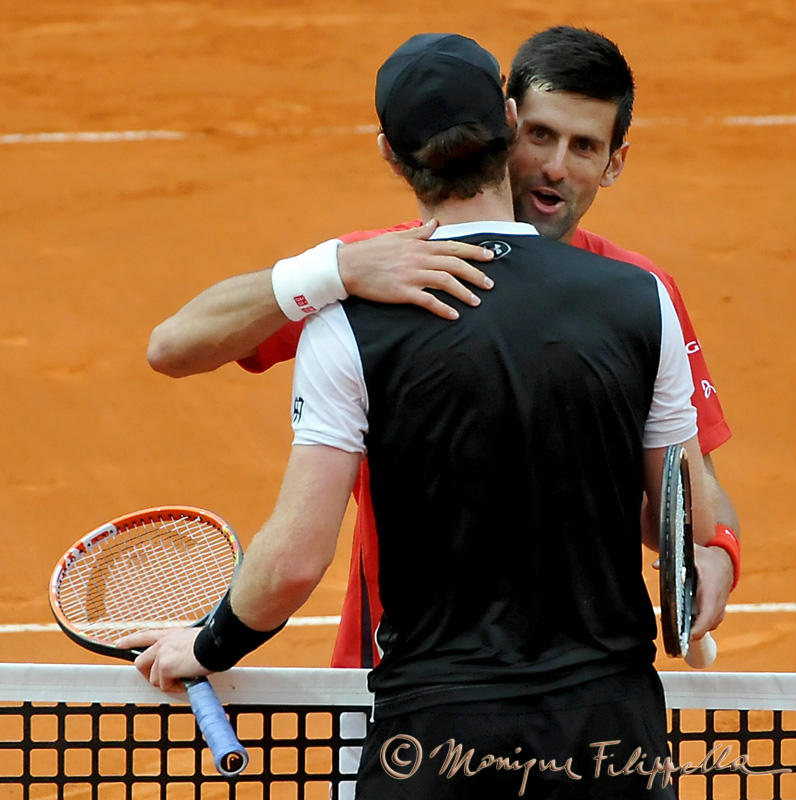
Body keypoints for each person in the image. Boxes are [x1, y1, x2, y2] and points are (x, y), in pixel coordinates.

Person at [123, 33, 714, 797]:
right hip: (612, 736)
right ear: (509, 122)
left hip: (433, 739)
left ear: (390, 154)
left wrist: (210, 644)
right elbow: (684, 514)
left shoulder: (352, 320)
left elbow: (296, 559)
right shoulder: (641, 300)